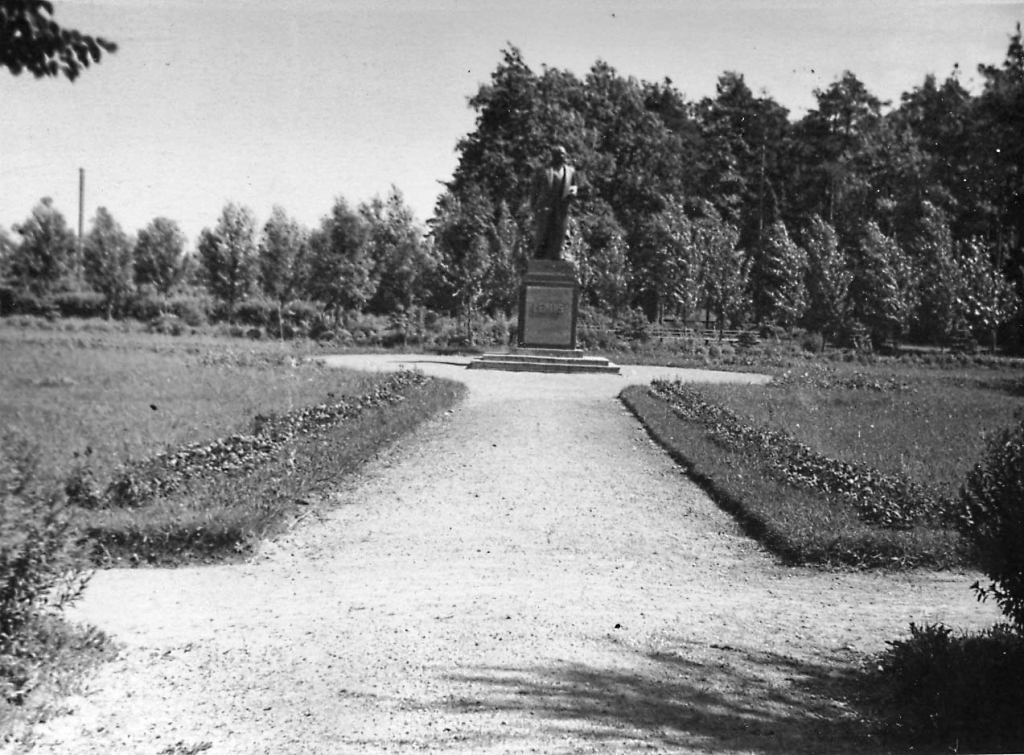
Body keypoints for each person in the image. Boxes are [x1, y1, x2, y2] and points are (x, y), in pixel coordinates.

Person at [530, 145, 578, 260]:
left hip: (562, 207)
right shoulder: (544, 171)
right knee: (543, 232)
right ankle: (539, 256)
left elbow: (574, 186)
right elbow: (535, 189)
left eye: (563, 155)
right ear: (553, 156)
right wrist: (534, 206)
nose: (562, 157)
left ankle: (558, 254)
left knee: (560, 232)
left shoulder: (570, 171)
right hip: (545, 206)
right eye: (559, 154)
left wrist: (573, 192)